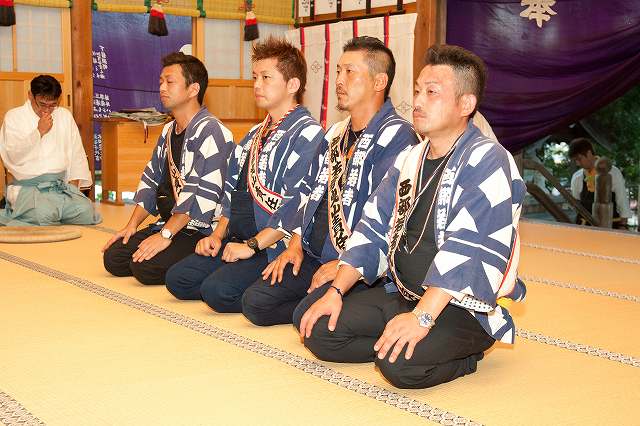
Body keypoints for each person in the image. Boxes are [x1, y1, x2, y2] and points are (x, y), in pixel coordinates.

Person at [297, 44, 527, 389]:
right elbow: (373, 226)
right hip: (402, 291)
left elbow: (469, 249)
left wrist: (422, 317)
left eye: (431, 93)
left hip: (459, 306)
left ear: (466, 104)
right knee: (317, 327)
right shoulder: (411, 159)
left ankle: (464, 355)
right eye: (417, 91)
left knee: (399, 367)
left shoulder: (489, 160)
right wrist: (337, 291)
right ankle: (395, 339)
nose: (418, 101)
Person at [241, 36, 419, 326]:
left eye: (349, 72)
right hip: (314, 252)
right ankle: (311, 303)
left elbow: (389, 217)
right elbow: (308, 190)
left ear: (379, 82)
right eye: (337, 71)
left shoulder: (398, 136)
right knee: (255, 303)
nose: (339, 80)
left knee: (311, 323)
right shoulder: (335, 133)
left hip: (358, 265)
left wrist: (344, 264)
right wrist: (295, 244)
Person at [164, 38, 324, 312]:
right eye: (254, 77)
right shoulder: (254, 134)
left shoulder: (309, 133)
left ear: (293, 85)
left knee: (217, 292)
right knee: (179, 280)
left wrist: (252, 245)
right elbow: (232, 193)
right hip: (239, 236)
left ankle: (272, 290)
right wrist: (217, 235)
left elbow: (296, 206)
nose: (257, 85)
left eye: (266, 77)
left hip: (273, 244)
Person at [102, 52, 235, 285]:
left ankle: (208, 259)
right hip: (172, 222)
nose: (162, 87)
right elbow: (151, 179)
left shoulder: (212, 132)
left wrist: (165, 235)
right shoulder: (168, 130)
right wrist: (131, 226)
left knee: (144, 267)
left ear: (193, 89)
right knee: (114, 258)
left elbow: (198, 195)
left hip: (200, 227)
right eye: (161, 81)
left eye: (170, 82)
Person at [0, 75, 100, 226]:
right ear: (30, 96)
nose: (46, 110)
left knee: (86, 213)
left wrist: (73, 191)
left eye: (52, 105)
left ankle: (53, 213)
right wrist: (38, 132)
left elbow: (76, 154)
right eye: (42, 104)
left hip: (60, 188)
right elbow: (12, 155)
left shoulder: (64, 116)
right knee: (43, 214)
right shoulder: (14, 116)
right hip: (28, 188)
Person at [569, 137, 631, 228]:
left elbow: (622, 199)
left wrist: (623, 224)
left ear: (589, 153)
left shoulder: (613, 172)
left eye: (579, 159)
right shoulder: (577, 177)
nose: (578, 163)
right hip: (585, 226)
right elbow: (576, 204)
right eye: (575, 160)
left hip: (610, 224)